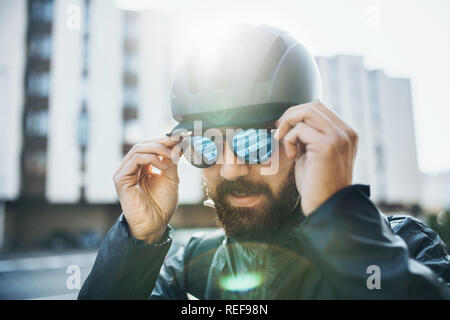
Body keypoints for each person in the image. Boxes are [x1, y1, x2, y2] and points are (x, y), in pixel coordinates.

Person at [78, 25, 450, 300]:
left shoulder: (401, 245)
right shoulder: (192, 267)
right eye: (206, 146)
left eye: (254, 143)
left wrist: (342, 218)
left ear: (304, 140)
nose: (230, 169)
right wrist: (138, 240)